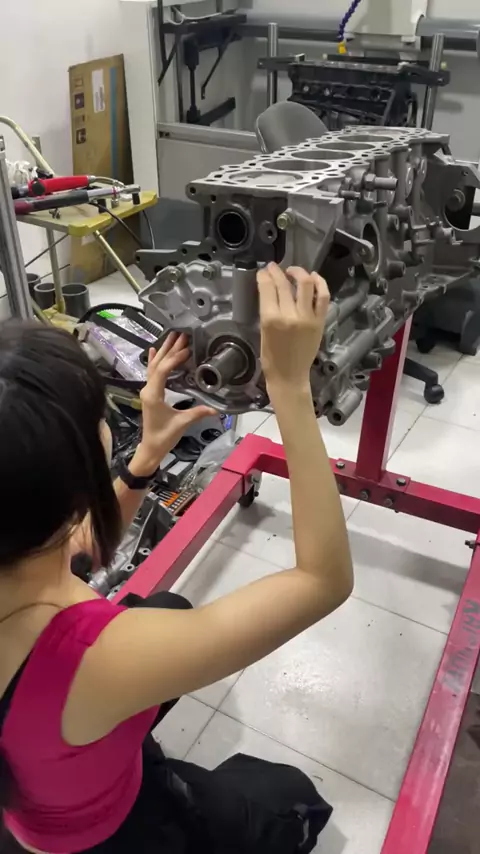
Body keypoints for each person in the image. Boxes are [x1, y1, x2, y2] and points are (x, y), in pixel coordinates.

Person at [0, 263, 353, 854]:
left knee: (168, 605)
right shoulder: (100, 658)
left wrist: (147, 456)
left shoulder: (19, 550)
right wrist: (290, 387)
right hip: (109, 837)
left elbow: (74, 547)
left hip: (35, 767)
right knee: (289, 796)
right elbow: (323, 580)